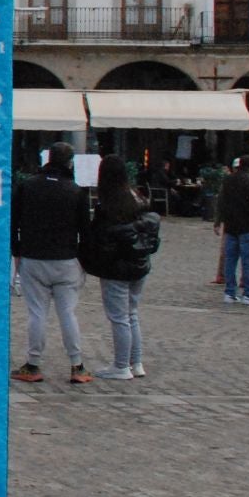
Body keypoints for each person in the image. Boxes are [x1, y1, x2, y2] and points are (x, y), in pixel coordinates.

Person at [10, 141, 92, 385]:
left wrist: (17, 251)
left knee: (37, 313)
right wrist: (83, 259)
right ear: (70, 162)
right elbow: (85, 230)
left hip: (33, 257)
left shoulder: (28, 186)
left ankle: (33, 363)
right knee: (68, 313)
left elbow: (13, 222)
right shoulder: (76, 191)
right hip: (66, 258)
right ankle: (77, 365)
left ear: (48, 159)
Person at [80, 155, 158, 380]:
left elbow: (100, 236)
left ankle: (121, 365)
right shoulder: (138, 197)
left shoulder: (109, 203)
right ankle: (137, 362)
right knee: (132, 314)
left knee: (119, 317)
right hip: (139, 262)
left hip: (117, 266)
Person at [214, 155, 249, 305]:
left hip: (231, 226)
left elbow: (222, 201)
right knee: (248, 261)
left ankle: (230, 292)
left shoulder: (228, 180)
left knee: (230, 260)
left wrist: (220, 221)